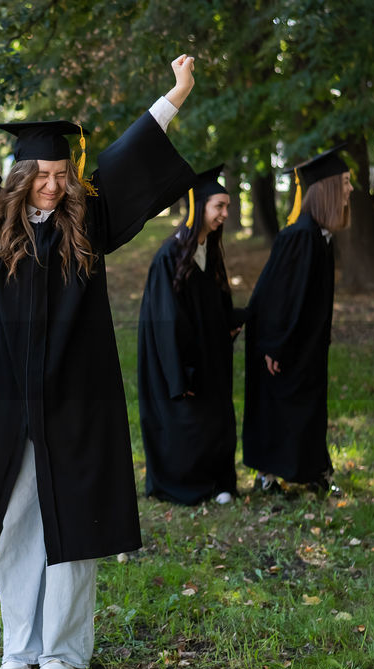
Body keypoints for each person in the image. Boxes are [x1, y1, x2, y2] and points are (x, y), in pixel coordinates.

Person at [0, 34, 197, 669]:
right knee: (16, 517)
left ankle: (65, 650)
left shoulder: (88, 226)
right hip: (8, 398)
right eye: (39, 176)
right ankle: (20, 644)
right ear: (18, 179)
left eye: (60, 175)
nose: (50, 186)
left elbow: (130, 158)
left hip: (77, 396)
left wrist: (174, 97)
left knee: (76, 515)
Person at [242, 146, 352, 497]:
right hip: (282, 342)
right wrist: (275, 345)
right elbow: (275, 297)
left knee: (307, 406)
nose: (350, 190)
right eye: (346, 183)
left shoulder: (319, 233)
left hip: (305, 342)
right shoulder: (300, 235)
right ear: (329, 189)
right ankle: (269, 476)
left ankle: (311, 470)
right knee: (283, 406)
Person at [137, 165, 248, 506]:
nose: (225, 215)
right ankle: (184, 486)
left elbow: (217, 304)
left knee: (216, 420)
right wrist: (178, 372)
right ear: (199, 207)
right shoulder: (170, 256)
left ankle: (219, 482)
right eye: (219, 207)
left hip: (209, 358)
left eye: (227, 207)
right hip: (181, 361)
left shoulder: (208, 250)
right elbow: (166, 321)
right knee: (188, 422)